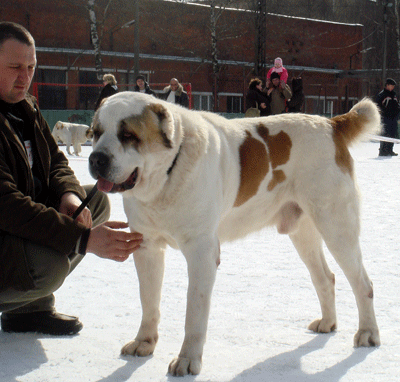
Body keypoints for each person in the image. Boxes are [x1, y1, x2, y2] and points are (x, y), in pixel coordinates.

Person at [0, 22, 143, 336]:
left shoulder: (28, 109)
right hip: (7, 226)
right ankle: (27, 298)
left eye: (31, 67)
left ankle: (29, 309)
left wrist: (70, 198)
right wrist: (83, 240)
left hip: (17, 229)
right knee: (50, 266)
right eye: (14, 67)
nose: (25, 77)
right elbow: (6, 205)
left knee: (96, 201)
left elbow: (57, 164)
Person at [376, 78, 400, 156]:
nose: (392, 87)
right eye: (391, 85)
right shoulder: (382, 95)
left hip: (393, 118)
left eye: (393, 86)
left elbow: (396, 105)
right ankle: (383, 150)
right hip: (385, 118)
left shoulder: (394, 94)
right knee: (385, 133)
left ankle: (390, 150)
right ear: (387, 85)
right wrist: (385, 113)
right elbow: (378, 106)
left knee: (392, 133)